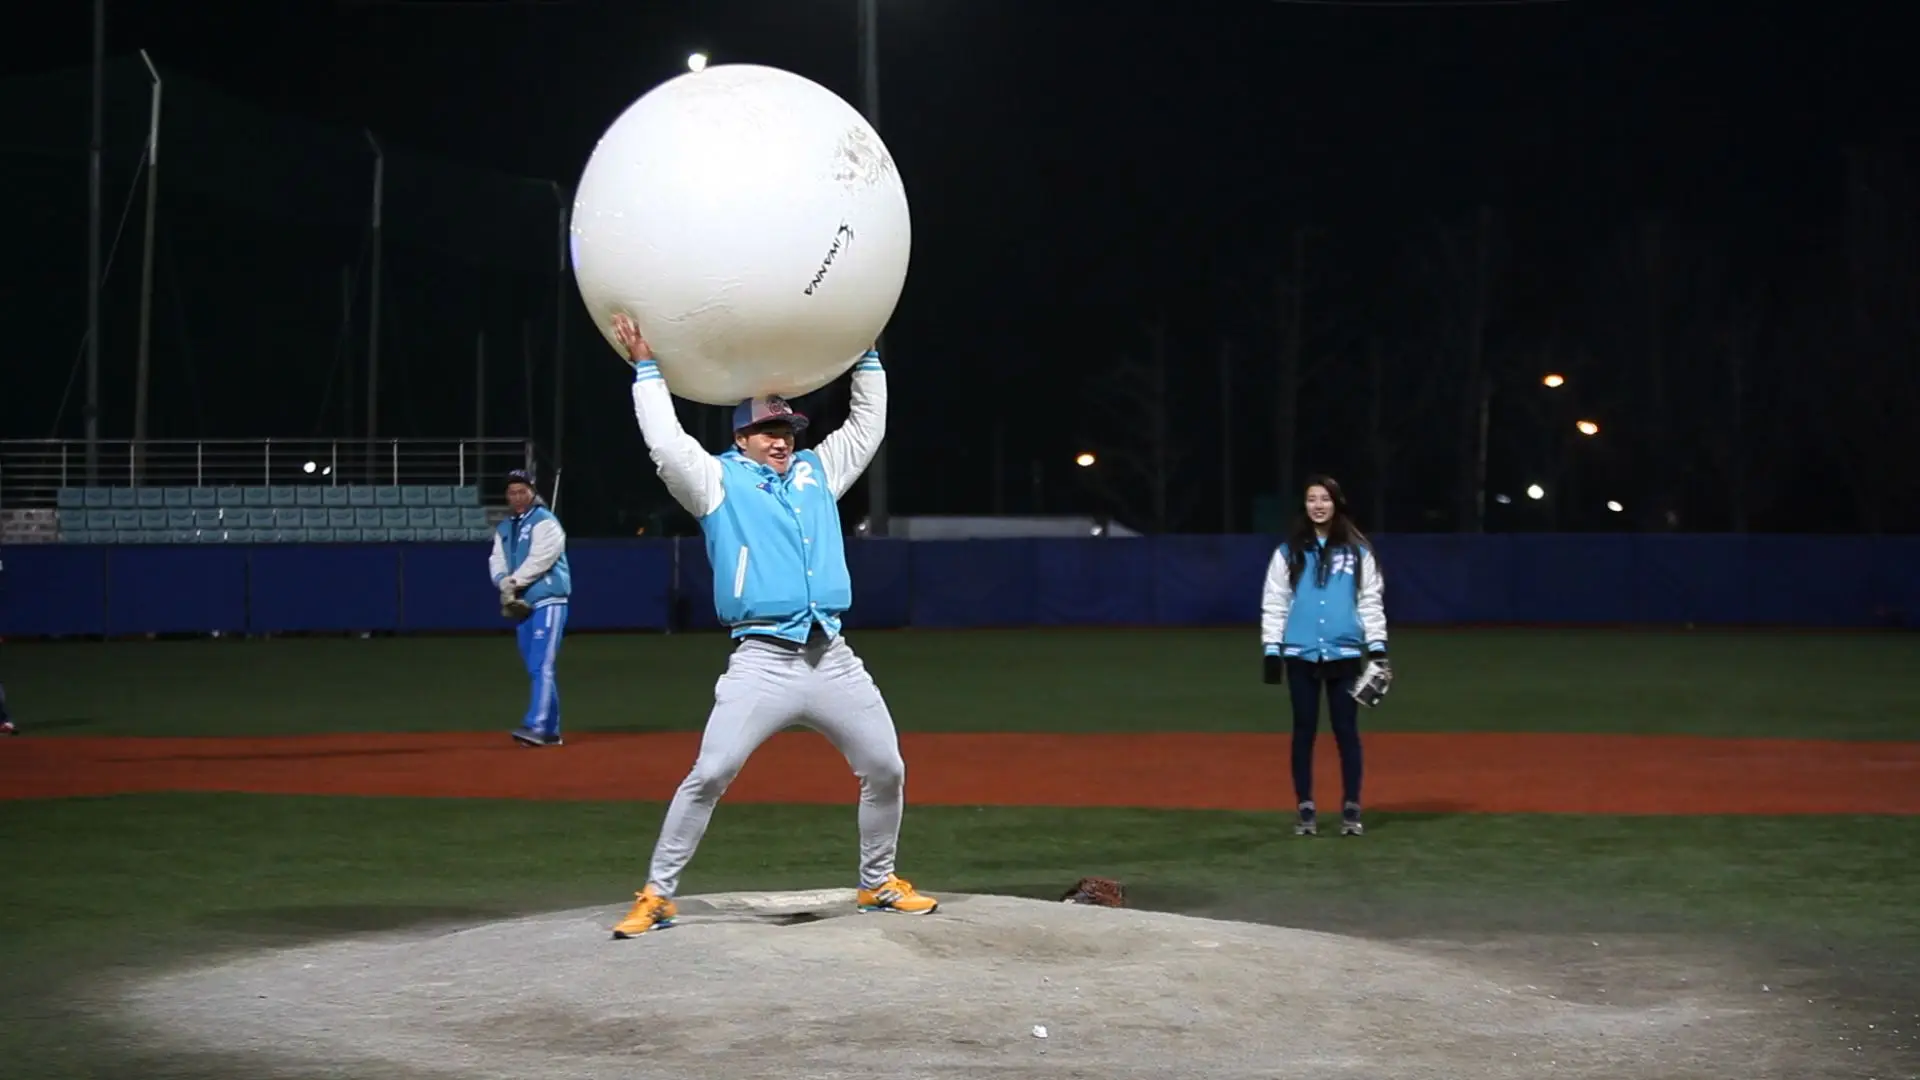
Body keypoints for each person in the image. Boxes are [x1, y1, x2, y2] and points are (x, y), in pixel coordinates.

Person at [607, 311, 936, 938]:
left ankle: (878, 883)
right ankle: (658, 893)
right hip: (762, 660)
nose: (780, 438)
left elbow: (868, 426)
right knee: (709, 773)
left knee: (887, 768)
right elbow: (666, 442)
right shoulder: (715, 483)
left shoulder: (818, 473)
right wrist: (648, 371)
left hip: (832, 655)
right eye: (765, 429)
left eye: (786, 427)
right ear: (740, 438)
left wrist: (864, 356)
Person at [1259, 474, 1390, 837]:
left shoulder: (1358, 551)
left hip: (1344, 653)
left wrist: (1377, 650)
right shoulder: (1289, 551)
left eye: (1325, 499)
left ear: (1337, 503)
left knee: (1346, 732)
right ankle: (1305, 808)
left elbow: (1370, 601)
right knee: (1303, 732)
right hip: (1301, 654)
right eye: (1312, 499)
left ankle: (1351, 808)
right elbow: (1275, 602)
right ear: (1305, 505)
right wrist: (1272, 648)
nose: (1318, 505)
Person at [489, 468, 572, 748]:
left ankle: (536, 725)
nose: (517, 496)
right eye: (512, 492)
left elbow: (542, 559)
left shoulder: (545, 522)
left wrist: (513, 582)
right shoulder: (505, 527)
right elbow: (496, 560)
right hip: (523, 605)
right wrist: (503, 583)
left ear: (533, 492)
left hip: (548, 599)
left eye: (522, 491)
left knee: (542, 664)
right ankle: (549, 730)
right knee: (536, 667)